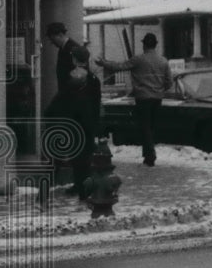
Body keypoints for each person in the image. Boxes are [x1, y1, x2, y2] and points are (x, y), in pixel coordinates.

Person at [96, 33, 172, 167]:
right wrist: (159, 89)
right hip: (157, 98)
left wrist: (103, 63)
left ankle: (150, 156)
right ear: (155, 44)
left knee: (145, 127)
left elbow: (118, 67)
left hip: (142, 98)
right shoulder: (163, 61)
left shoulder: (138, 59)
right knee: (151, 127)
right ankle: (148, 155)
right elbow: (169, 82)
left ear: (144, 45)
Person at [44, 45, 109, 198]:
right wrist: (96, 123)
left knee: (73, 155)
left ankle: (78, 186)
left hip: (72, 120)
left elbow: (61, 99)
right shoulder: (93, 79)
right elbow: (96, 101)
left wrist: (50, 113)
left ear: (74, 59)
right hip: (87, 121)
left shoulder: (71, 77)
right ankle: (83, 186)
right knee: (84, 156)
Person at [45, 21, 79, 93]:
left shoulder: (72, 48)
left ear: (60, 35)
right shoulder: (63, 48)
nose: (52, 43)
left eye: (53, 40)